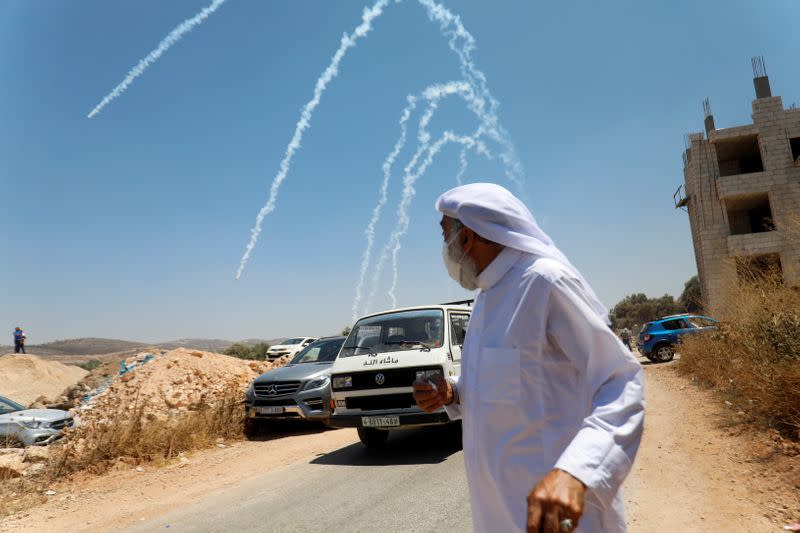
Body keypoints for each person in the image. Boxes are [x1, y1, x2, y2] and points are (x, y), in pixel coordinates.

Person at [413, 183, 644, 533]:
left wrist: (577, 472)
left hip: (560, 518)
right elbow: (510, 383)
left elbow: (620, 378)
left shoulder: (545, 282)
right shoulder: (486, 300)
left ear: (469, 237)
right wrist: (453, 392)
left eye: (445, 236)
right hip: (500, 515)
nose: (444, 249)